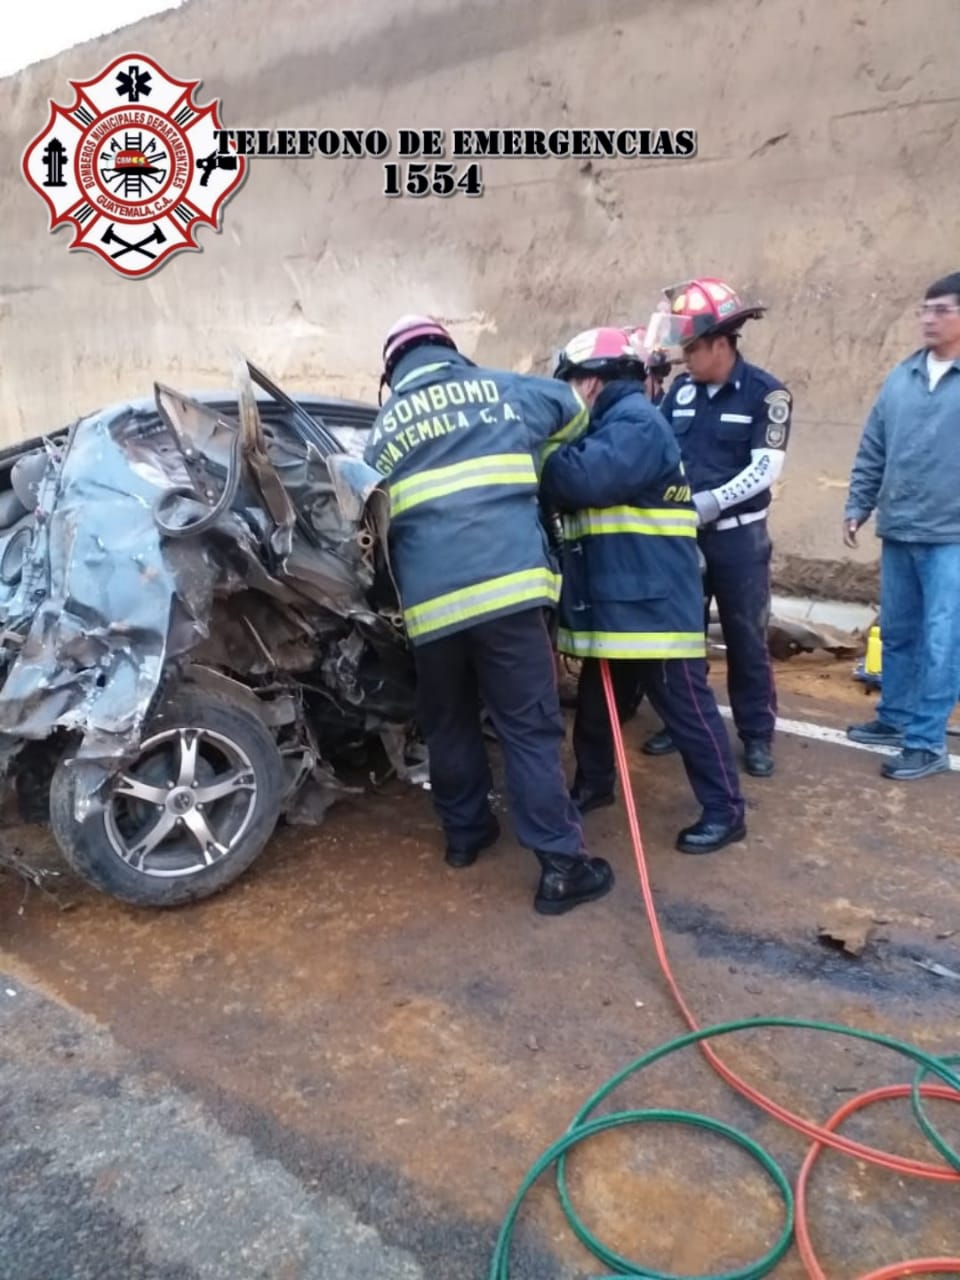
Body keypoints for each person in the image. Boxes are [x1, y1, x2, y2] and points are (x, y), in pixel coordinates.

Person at [364, 314, 614, 914]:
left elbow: (369, 519)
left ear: (392, 372)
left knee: (448, 724)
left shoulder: (382, 429)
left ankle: (465, 837)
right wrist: (534, 456)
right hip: (508, 593)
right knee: (527, 727)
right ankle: (560, 866)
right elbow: (576, 414)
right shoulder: (504, 390)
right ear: (450, 350)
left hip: (431, 611)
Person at [540, 326, 746, 855]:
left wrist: (540, 455)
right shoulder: (615, 423)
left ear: (590, 382)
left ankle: (725, 810)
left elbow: (582, 481)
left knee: (685, 706)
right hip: (624, 599)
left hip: (650, 603)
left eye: (570, 384)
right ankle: (594, 783)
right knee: (596, 701)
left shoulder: (635, 425)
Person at [638, 278, 792, 779]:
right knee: (682, 636)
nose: (684, 357)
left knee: (746, 638)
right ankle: (684, 724)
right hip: (685, 533)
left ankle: (755, 734)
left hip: (738, 539)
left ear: (721, 344)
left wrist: (713, 502)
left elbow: (765, 468)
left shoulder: (767, 394)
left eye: (692, 347)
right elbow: (658, 448)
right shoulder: (680, 391)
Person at [843, 271, 960, 780]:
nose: (929, 319)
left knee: (942, 641)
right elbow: (875, 445)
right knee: (898, 634)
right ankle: (894, 718)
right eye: (925, 310)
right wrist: (858, 503)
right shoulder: (902, 377)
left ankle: (927, 742)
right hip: (901, 529)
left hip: (951, 538)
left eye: (942, 310)